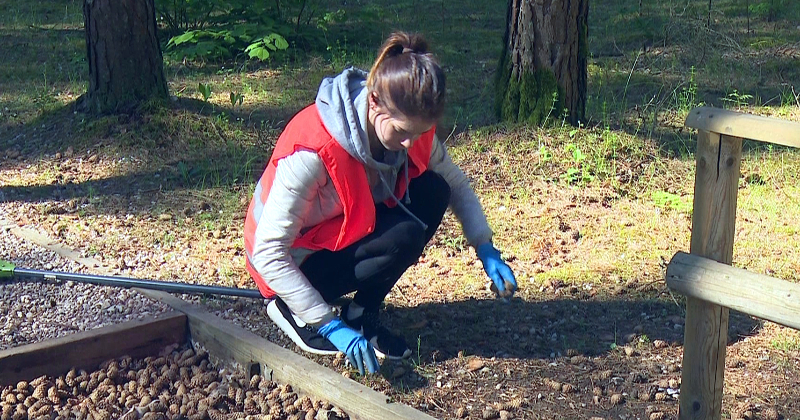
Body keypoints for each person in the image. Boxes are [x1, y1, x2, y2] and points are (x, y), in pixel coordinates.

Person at [244, 31, 517, 376]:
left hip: (338, 240)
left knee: (433, 191)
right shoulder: (316, 149)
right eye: (402, 132)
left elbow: (456, 184)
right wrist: (326, 324)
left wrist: (485, 246)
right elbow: (269, 252)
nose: (409, 143)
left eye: (418, 133)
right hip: (288, 261)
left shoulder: (411, 132)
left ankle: (360, 315)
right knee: (402, 234)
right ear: (374, 102)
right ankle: (292, 308)